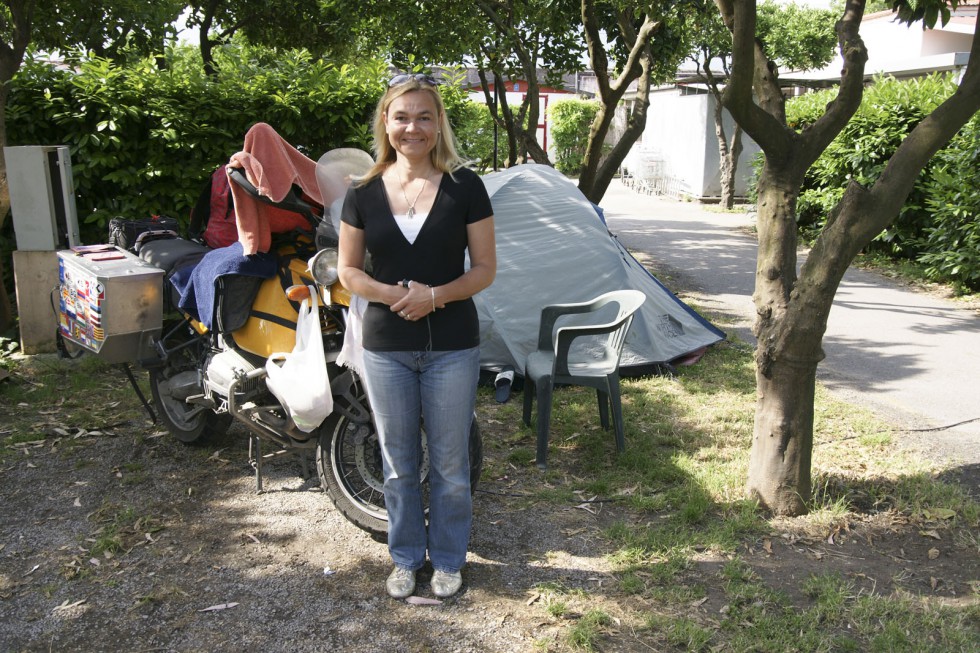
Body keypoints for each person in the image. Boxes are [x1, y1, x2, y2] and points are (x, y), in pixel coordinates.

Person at [337, 73, 496, 600]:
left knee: (451, 465)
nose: (413, 127)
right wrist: (393, 295)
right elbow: (348, 273)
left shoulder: (465, 186)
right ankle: (406, 557)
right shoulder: (361, 193)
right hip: (386, 347)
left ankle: (448, 559)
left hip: (452, 344)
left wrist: (436, 296)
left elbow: (485, 270)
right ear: (386, 122)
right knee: (399, 463)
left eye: (424, 116)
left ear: (439, 123)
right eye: (402, 116)